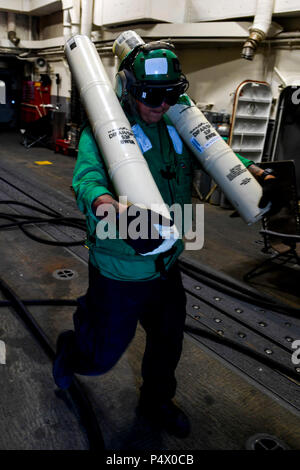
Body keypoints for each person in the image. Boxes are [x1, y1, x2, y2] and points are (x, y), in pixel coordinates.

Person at [53, 38, 281, 438]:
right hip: (120, 270)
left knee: (167, 341)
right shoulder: (107, 131)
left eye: (167, 97)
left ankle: (156, 401)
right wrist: (116, 212)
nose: (158, 106)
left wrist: (257, 175)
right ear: (128, 89)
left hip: (165, 262)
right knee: (101, 357)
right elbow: (87, 181)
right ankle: (73, 349)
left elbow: (215, 152)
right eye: (149, 97)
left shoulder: (174, 123)